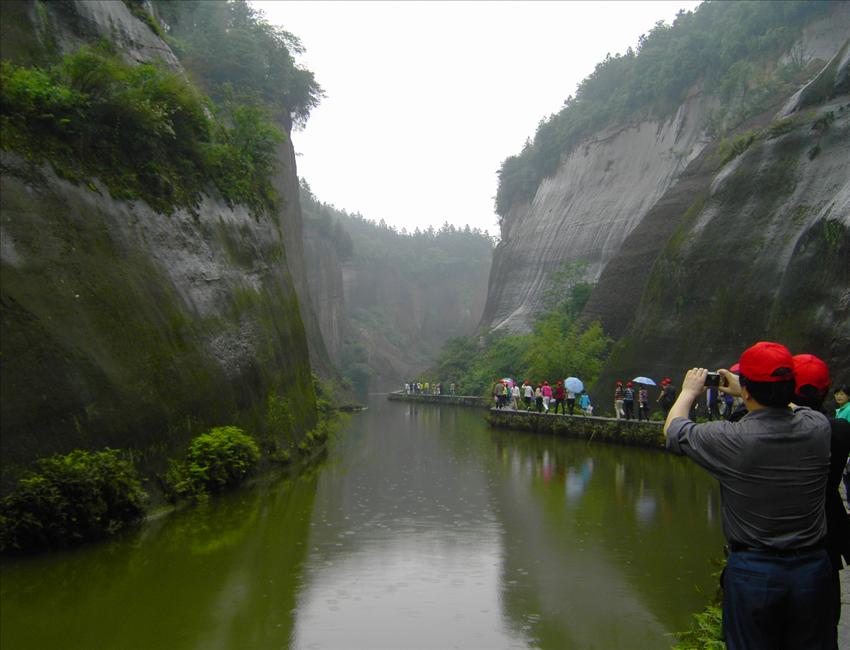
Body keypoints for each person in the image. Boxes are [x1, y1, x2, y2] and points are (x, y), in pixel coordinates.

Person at [664, 342, 834, 650]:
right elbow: (797, 408)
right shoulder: (818, 428)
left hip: (755, 573)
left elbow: (674, 429)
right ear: (791, 387)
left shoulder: (730, 439)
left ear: (748, 390)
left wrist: (689, 391)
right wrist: (750, 391)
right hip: (813, 569)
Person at [792, 354, 850, 647]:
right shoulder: (839, 430)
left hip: (778, 547)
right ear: (826, 391)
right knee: (824, 629)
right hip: (826, 540)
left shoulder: (765, 434)